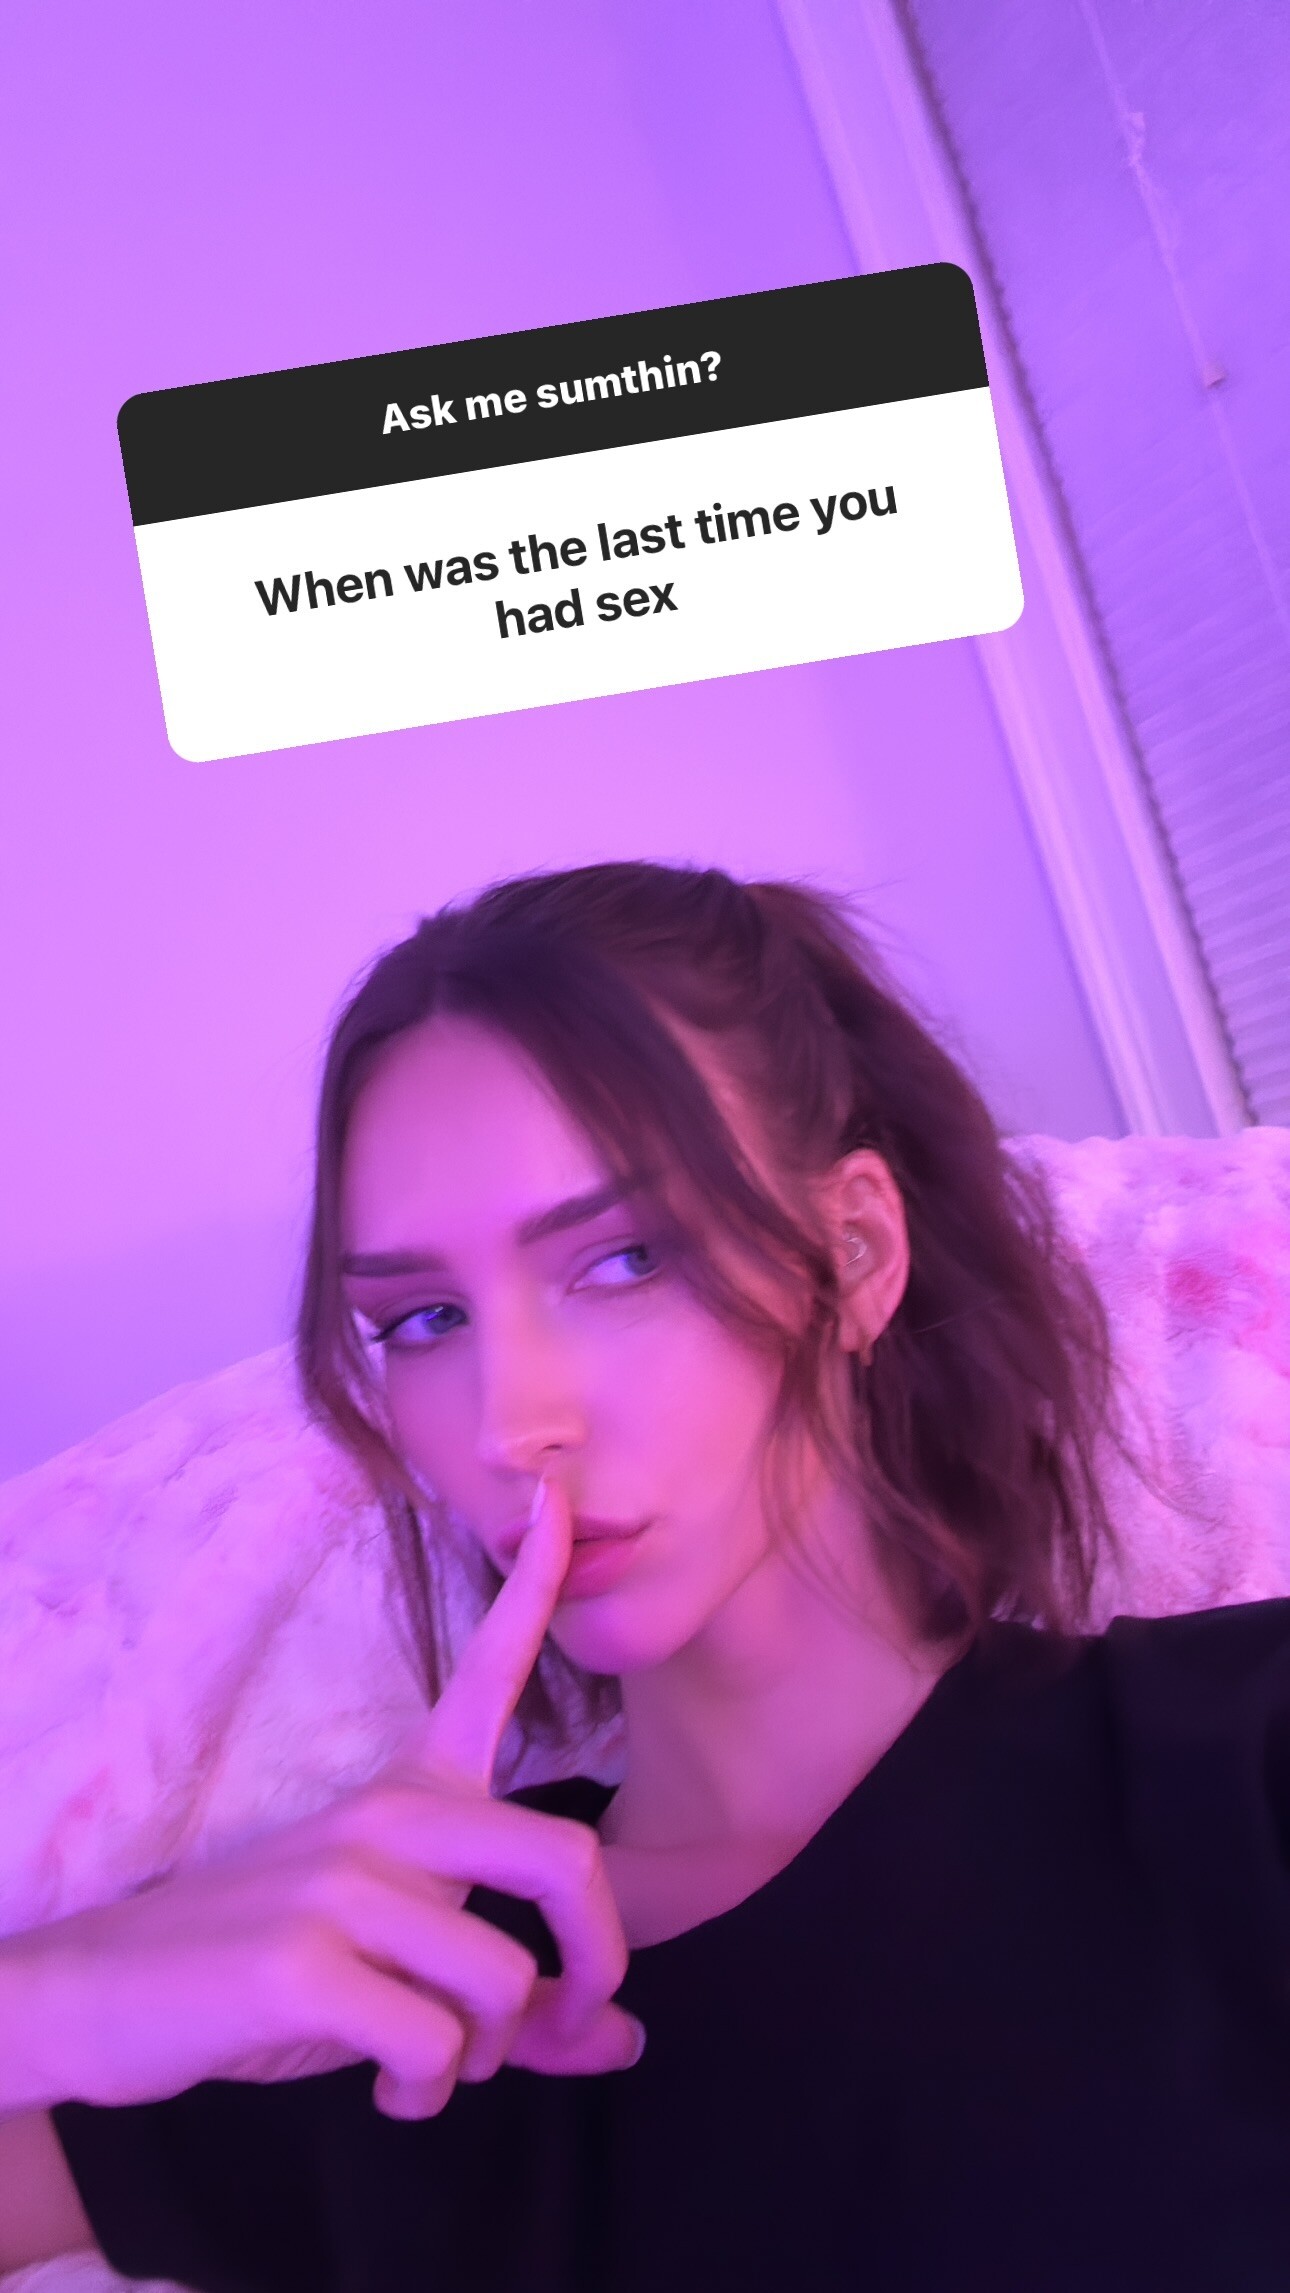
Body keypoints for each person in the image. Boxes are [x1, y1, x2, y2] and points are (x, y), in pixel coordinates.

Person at [2, 861, 1289, 2292]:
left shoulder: (1238, 1756)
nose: (510, 1422)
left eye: (622, 1261)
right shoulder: (404, 1975)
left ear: (854, 1251)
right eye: (423, 1319)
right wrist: (62, 1999)